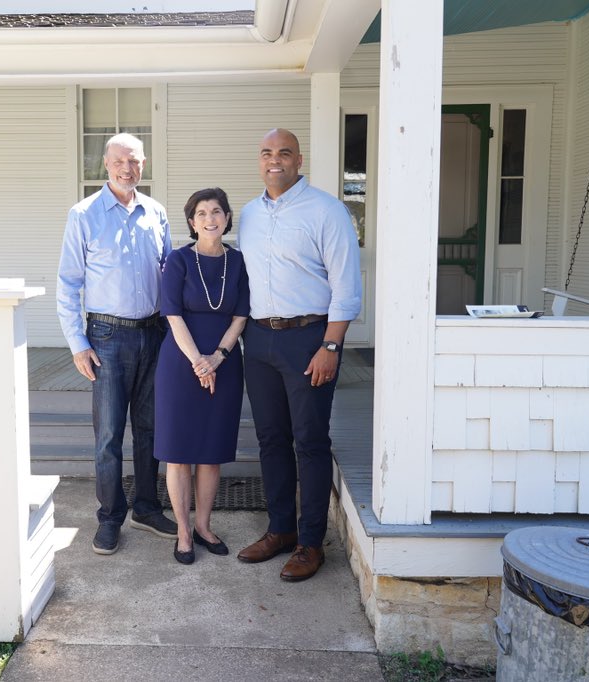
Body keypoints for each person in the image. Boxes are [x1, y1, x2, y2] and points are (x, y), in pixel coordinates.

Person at [236, 128, 362, 581]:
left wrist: (331, 345)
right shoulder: (248, 215)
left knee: (309, 441)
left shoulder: (327, 210)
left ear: (298, 159)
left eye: (284, 153)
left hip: (309, 340)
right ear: (260, 159)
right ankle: (281, 530)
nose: (275, 160)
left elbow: (347, 287)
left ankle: (311, 542)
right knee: (270, 439)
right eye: (267, 152)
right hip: (260, 340)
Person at [56, 132, 178, 555]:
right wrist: (77, 343)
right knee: (109, 435)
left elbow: (170, 274)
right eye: (120, 162)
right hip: (106, 337)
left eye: (136, 162)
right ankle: (110, 518)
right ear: (105, 165)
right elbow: (69, 283)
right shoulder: (84, 214)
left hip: (155, 334)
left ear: (144, 165)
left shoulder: (156, 213)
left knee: (150, 430)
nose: (128, 169)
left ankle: (146, 507)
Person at [154, 188, 249, 565]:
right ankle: (182, 531)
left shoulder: (239, 262)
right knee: (178, 455)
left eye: (217, 211)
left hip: (224, 363)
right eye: (201, 213)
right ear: (192, 222)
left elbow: (241, 315)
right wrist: (198, 361)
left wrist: (218, 358)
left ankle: (205, 526)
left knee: (211, 454)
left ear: (227, 218)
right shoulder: (178, 260)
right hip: (180, 363)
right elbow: (172, 315)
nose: (210, 218)